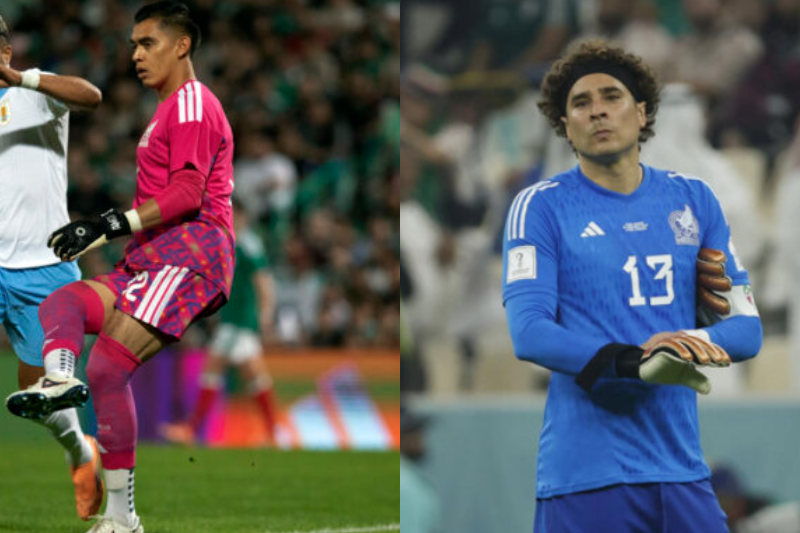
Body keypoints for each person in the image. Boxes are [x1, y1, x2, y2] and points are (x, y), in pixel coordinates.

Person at [502, 40, 762, 533]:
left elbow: (746, 330)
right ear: (566, 126)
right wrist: (633, 362)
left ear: (641, 112)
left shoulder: (695, 200)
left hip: (682, 472)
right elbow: (529, 332)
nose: (597, 110)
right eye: (581, 103)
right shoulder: (540, 207)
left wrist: (682, 343)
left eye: (611, 96)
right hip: (587, 477)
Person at [5, 2, 235, 532]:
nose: (135, 55)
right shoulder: (168, 108)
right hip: (152, 257)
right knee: (64, 302)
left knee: (109, 366)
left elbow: (188, 193)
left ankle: (122, 518)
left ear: (182, 45)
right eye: (133, 45)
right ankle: (60, 382)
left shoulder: (192, 103)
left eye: (147, 43)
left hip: (191, 253)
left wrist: (106, 225)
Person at [0, 12, 104, 522]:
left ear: (4, 52)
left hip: (39, 267)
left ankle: (80, 452)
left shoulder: (35, 93)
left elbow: (92, 96)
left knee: (38, 392)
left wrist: (20, 78)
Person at [159, 198, 277, 446]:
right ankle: (272, 433)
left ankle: (192, 429)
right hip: (234, 319)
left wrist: (265, 314)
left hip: (241, 321)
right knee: (254, 377)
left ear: (241, 215)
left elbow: (263, 281)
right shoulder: (231, 242)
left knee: (216, 369)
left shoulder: (248, 244)